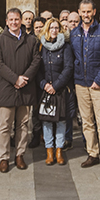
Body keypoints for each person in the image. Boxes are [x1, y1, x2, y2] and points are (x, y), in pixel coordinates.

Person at [0, 7, 41, 173]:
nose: (14, 22)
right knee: (5, 125)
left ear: (21, 21)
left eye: (16, 19)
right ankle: (4, 157)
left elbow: (36, 61)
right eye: (11, 20)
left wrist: (24, 78)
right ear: (6, 22)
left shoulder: (31, 40)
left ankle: (20, 155)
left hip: (26, 88)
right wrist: (15, 79)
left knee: (23, 124)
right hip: (7, 88)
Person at [71, 0, 100, 170]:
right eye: (83, 11)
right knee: (87, 121)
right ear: (79, 12)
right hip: (81, 83)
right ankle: (92, 153)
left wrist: (99, 79)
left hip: (98, 84)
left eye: (89, 11)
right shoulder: (74, 33)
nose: (86, 14)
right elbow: (74, 58)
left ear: (94, 12)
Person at [38, 16, 74, 165]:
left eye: (56, 28)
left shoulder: (65, 47)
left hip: (60, 89)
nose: (54, 30)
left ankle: (59, 150)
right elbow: (38, 68)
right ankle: (49, 151)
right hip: (46, 89)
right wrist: (44, 84)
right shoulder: (42, 47)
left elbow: (68, 68)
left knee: (60, 120)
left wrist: (56, 85)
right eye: (51, 27)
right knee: (46, 121)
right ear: (47, 29)